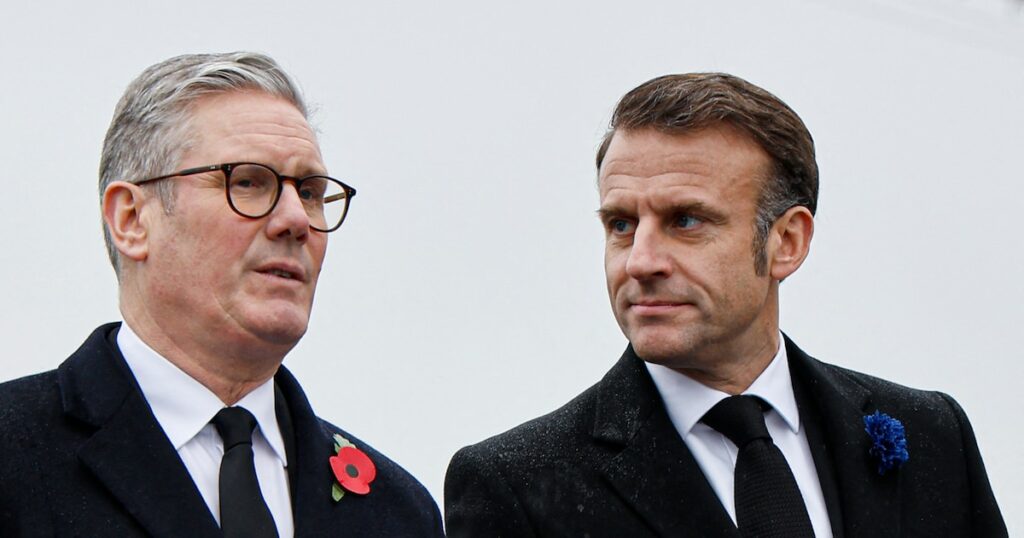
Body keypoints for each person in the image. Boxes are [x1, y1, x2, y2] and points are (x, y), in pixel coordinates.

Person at [444, 73, 1006, 537]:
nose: (639, 261)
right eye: (621, 225)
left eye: (685, 220)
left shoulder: (932, 434)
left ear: (787, 242)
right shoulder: (516, 487)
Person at [0, 52, 443, 537]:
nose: (296, 219)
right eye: (249, 182)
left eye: (312, 192)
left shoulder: (397, 511)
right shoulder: (15, 452)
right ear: (131, 219)